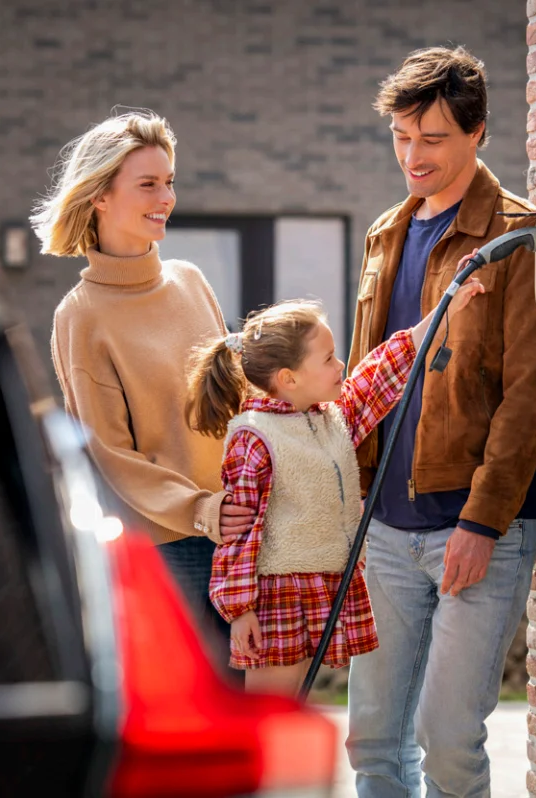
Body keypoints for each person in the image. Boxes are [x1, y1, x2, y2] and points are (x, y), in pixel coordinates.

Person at [345, 46, 536, 797]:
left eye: (432, 138)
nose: (413, 155)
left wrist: (482, 521)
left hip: (473, 527)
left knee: (447, 744)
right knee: (371, 740)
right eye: (402, 137)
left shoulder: (518, 234)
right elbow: (367, 376)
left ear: (476, 133)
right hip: (385, 529)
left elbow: (529, 396)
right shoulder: (383, 232)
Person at [185, 271, 484, 697]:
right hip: (278, 595)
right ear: (289, 379)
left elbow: (382, 372)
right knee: (272, 717)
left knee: (295, 713)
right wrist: (239, 611)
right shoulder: (255, 438)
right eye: (326, 358)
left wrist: (444, 311)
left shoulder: (332, 418)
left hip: (322, 583)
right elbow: (240, 534)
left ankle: (294, 769)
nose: (340, 364)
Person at [31, 111, 255, 671]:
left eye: (170, 181)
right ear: (100, 196)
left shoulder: (189, 279)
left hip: (240, 531)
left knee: (243, 715)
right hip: (170, 547)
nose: (167, 198)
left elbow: (232, 398)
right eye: (148, 184)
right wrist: (201, 509)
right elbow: (107, 454)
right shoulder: (81, 316)